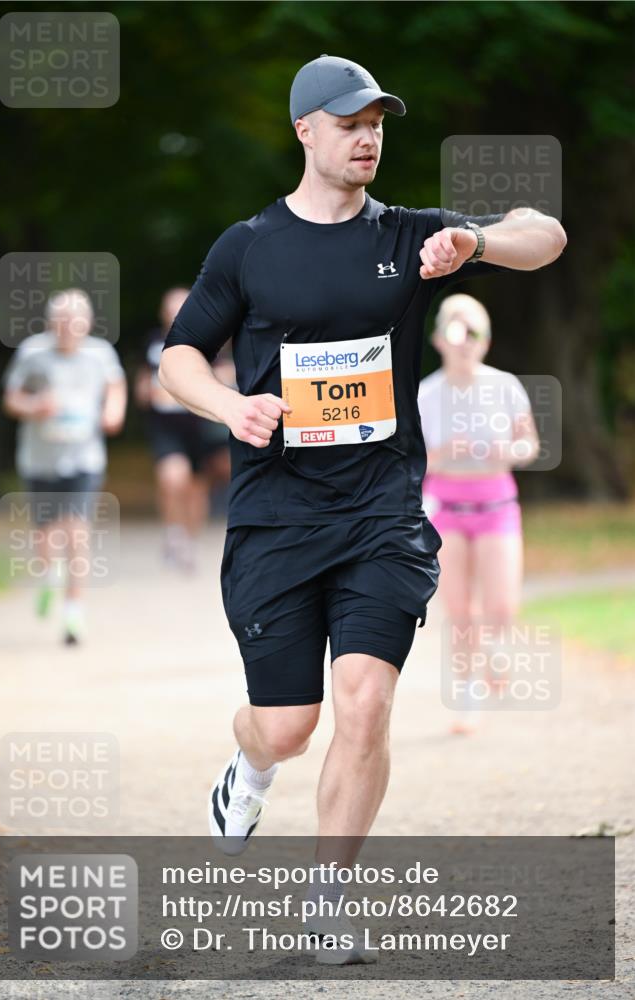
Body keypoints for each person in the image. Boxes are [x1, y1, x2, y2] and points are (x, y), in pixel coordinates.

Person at [159, 55, 566, 962]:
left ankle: (328, 897)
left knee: (366, 700)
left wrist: (473, 246)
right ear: (304, 131)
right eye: (348, 124)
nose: (367, 137)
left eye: (376, 122)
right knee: (287, 725)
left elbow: (543, 234)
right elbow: (178, 356)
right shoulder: (249, 246)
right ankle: (249, 767)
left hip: (382, 513)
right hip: (276, 515)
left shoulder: (412, 235)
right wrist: (229, 406)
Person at [418, 294, 540, 734]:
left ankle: (495, 651)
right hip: (445, 507)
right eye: (456, 330)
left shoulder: (505, 387)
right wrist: (444, 454)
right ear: (439, 339)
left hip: (496, 504)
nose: (465, 340)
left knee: (501, 607)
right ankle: (468, 698)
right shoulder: (425, 394)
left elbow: (529, 445)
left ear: (486, 341)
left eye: (474, 331)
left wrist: (504, 450)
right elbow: (410, 463)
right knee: (460, 610)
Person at [2, 288, 126, 644]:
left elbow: (116, 387)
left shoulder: (100, 354)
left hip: (84, 458)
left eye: (75, 320)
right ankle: (48, 574)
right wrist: (34, 407)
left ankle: (73, 613)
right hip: (39, 459)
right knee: (46, 538)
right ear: (50, 322)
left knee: (77, 530)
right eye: (61, 320)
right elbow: (11, 399)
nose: (68, 327)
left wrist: (112, 412)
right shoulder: (32, 352)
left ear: (87, 322)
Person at [135, 287, 232, 570]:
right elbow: (143, 379)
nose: (174, 315)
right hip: (166, 427)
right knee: (172, 477)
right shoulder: (153, 342)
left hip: (199, 426)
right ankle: (174, 533)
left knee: (196, 488)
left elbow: (226, 373)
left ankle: (189, 541)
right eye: (170, 309)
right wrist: (146, 393)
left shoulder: (205, 338)